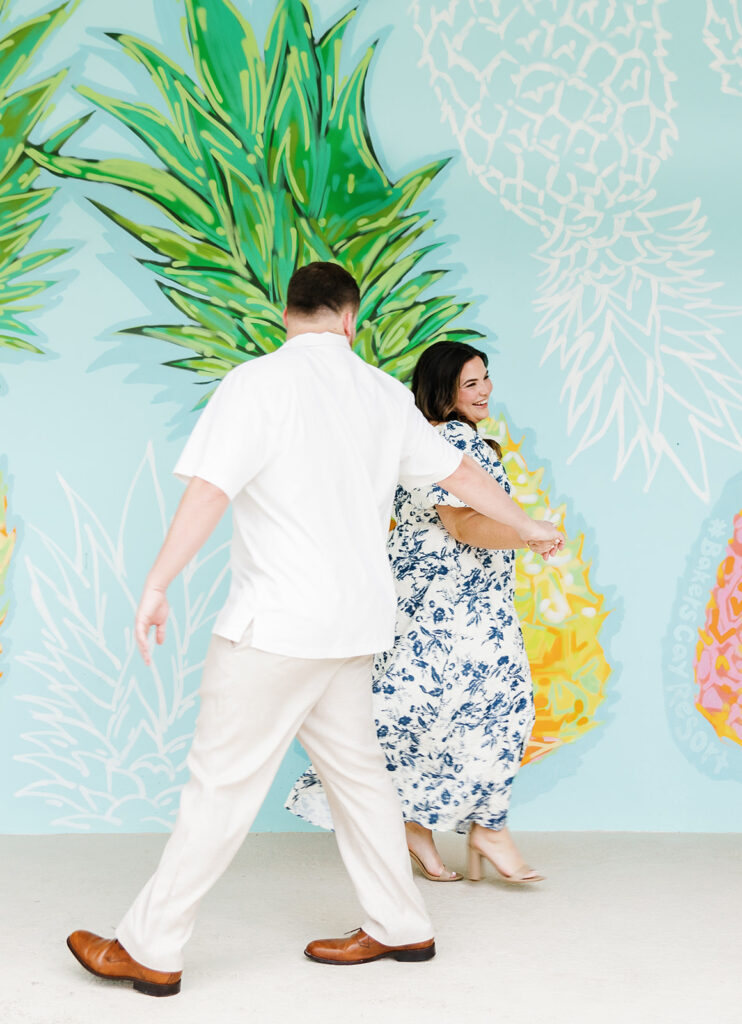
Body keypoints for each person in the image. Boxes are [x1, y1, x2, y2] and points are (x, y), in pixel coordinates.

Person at [65, 265, 562, 997]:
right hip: (356, 625)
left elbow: (210, 490)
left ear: (286, 314)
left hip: (277, 626)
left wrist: (158, 581)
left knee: (219, 787)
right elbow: (459, 475)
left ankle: (149, 947)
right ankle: (400, 925)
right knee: (360, 779)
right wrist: (529, 526)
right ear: (351, 321)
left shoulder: (256, 383)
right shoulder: (382, 394)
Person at [288, 340, 552, 884]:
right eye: (471, 383)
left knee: (424, 707)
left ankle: (440, 827)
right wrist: (529, 535)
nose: (484, 391)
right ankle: (482, 829)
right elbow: (462, 526)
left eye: (486, 378)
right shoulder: (448, 440)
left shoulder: (442, 439)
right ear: (444, 390)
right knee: (480, 705)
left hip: (450, 595)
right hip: (444, 600)